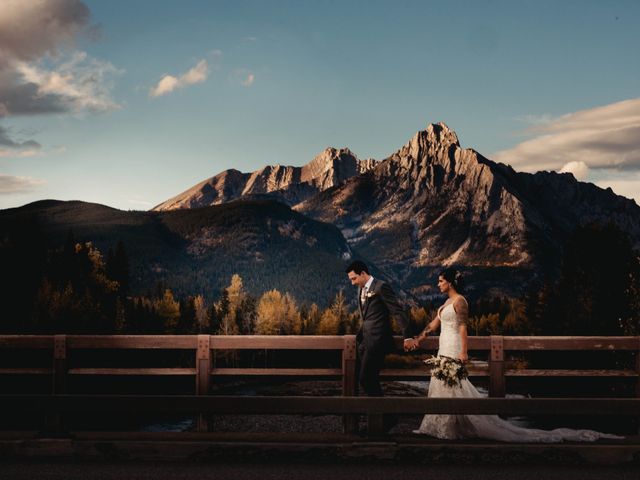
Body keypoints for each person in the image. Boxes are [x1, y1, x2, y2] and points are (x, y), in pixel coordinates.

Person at [411, 268, 623, 442]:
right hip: (443, 347)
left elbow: (463, 327)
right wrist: (418, 339)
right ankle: (437, 426)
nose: (438, 284)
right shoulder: (445, 304)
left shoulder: (460, 302)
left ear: (450, 282)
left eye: (440, 281)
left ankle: (451, 428)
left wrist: (464, 352)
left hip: (454, 346)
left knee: (453, 386)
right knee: (442, 385)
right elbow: (432, 324)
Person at [346, 261, 414, 431]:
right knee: (369, 380)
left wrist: (408, 336)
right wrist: (358, 338)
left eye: (354, 278)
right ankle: (381, 421)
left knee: (365, 379)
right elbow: (367, 318)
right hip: (365, 342)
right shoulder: (361, 289)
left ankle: (388, 417)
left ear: (363, 273)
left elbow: (397, 311)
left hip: (378, 341)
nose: (352, 282)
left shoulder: (381, 287)